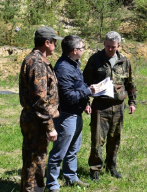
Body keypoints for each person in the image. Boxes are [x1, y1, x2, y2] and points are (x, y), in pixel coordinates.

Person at [46, 35, 99, 191]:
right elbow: (68, 96)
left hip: (76, 113)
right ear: (75, 50)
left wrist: (85, 103)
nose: (83, 50)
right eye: (82, 48)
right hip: (66, 116)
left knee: (73, 149)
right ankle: (52, 184)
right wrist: (88, 91)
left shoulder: (74, 64)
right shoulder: (63, 68)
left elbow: (78, 86)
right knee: (59, 152)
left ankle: (71, 177)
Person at [83, 31, 137, 182]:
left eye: (113, 47)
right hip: (100, 106)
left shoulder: (124, 61)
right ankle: (95, 169)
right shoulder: (95, 60)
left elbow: (130, 84)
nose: (110, 49)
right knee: (97, 139)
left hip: (119, 106)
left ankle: (111, 166)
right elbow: (84, 83)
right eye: (107, 46)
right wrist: (86, 103)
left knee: (115, 138)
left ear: (119, 45)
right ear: (104, 44)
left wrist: (132, 102)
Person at [19, 26, 61, 192]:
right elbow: (40, 99)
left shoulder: (33, 60)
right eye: (54, 42)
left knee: (33, 159)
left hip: (35, 118)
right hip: (37, 120)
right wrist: (50, 126)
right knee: (35, 161)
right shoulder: (37, 64)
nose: (55, 46)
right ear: (46, 42)